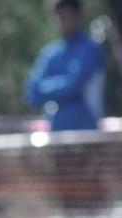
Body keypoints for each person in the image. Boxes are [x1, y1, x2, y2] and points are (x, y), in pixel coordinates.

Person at [25, 0, 106, 131]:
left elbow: (74, 84)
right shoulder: (49, 54)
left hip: (86, 134)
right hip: (55, 133)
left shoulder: (90, 49)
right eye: (61, 16)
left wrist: (45, 88)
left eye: (69, 16)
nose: (65, 21)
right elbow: (32, 92)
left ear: (78, 16)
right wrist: (60, 86)